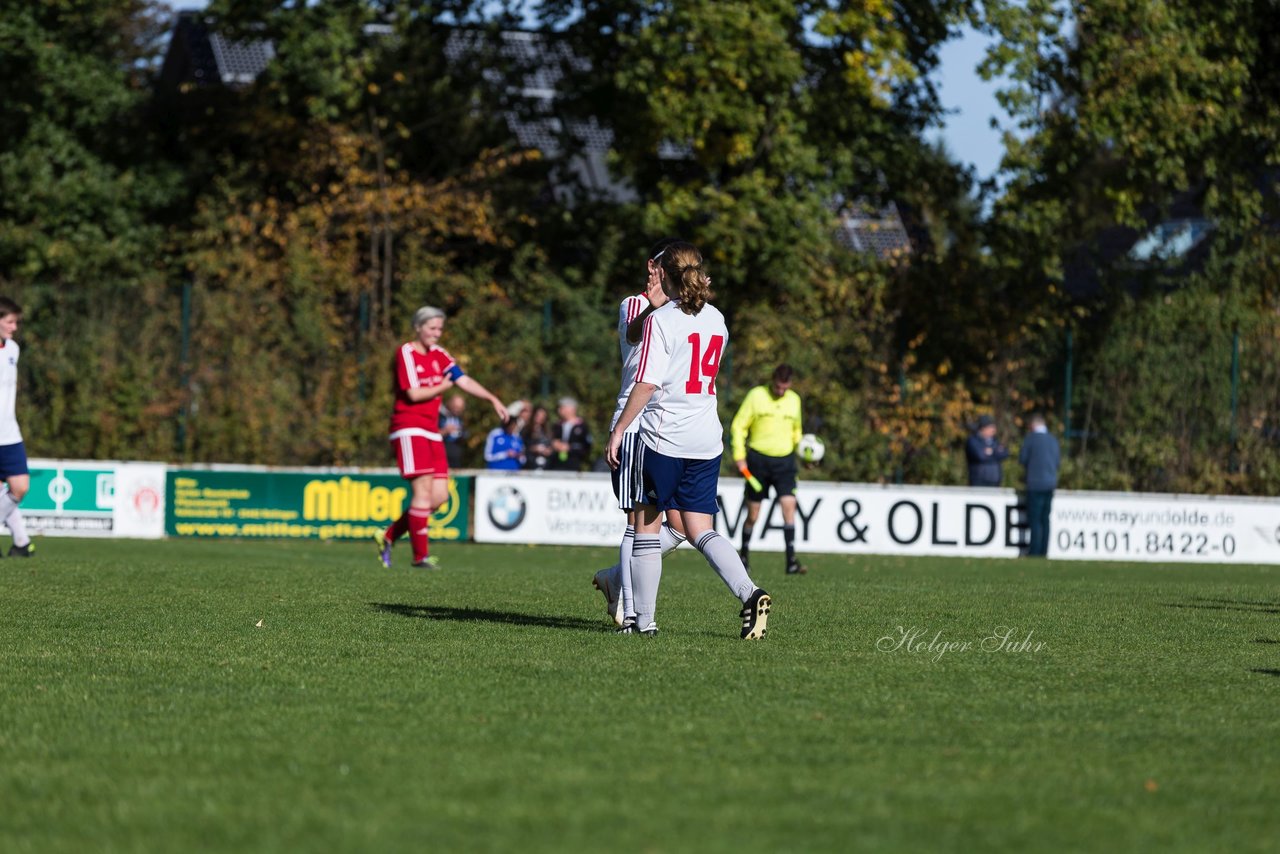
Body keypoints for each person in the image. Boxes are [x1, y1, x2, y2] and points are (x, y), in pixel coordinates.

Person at [606, 241, 771, 639]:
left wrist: (619, 430)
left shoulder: (664, 320)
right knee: (699, 528)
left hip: (664, 435)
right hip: (706, 438)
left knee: (646, 525)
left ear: (666, 274)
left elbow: (647, 383)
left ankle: (642, 622)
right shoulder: (717, 318)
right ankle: (750, 593)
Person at [591, 239, 689, 629]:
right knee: (638, 521)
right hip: (637, 422)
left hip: (674, 425)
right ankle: (631, 612)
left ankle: (616, 577)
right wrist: (656, 304)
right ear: (655, 268)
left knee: (682, 527)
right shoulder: (635, 304)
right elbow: (635, 335)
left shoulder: (687, 311)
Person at [376, 306, 507, 569]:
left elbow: (464, 380)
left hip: (431, 430)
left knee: (438, 497)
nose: (437, 333)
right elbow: (413, 394)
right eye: (432, 328)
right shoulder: (407, 352)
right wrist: (445, 386)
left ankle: (388, 535)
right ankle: (420, 557)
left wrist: (492, 398)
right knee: (422, 492)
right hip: (409, 427)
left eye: (440, 329)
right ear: (418, 327)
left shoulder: (440, 355)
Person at [729, 364, 807, 576]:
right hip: (758, 461)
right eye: (778, 387)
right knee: (753, 514)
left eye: (785, 388)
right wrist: (739, 456)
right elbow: (738, 426)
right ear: (773, 381)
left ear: (790, 384)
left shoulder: (794, 400)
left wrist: (805, 454)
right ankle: (744, 555)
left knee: (788, 508)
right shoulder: (756, 396)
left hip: (785, 463)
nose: (781, 392)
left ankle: (791, 561)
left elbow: (796, 432)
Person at [0, 298, 34, 558]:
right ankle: (21, 545)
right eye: (9, 322)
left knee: (19, 487)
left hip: (10, 433)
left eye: (15, 322)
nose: (14, 327)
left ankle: (22, 543)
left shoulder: (13, 349)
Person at [1018, 413, 1061, 557]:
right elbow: (1057, 462)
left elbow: (1023, 459)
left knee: (1035, 519)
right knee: (1045, 519)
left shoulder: (1031, 439)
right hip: (1050, 483)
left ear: (1033, 425)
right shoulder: (1053, 440)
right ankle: (1044, 551)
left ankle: (1034, 551)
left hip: (1035, 484)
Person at [966, 414, 1009, 487]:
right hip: (979, 480)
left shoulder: (994, 441)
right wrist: (995, 453)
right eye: (991, 427)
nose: (994, 430)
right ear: (983, 428)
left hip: (994, 480)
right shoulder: (973, 440)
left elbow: (1004, 453)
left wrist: (991, 452)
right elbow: (980, 456)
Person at [550, 397, 592, 471]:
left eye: (562, 407)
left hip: (574, 464)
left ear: (571, 409)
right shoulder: (557, 425)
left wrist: (570, 448)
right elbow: (552, 440)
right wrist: (554, 444)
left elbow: (586, 446)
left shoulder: (582, 426)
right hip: (556, 464)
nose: (559, 410)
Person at [484, 403, 526, 470]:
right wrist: (505, 454)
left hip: (514, 474)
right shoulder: (495, 434)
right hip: (495, 473)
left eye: (514, 424)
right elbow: (487, 456)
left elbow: (523, 459)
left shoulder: (517, 438)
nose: (512, 426)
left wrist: (519, 456)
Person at [439, 394, 468, 469]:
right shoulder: (439, 415)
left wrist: (462, 433)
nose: (457, 410)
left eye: (460, 408)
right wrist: (445, 431)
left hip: (455, 454)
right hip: (441, 452)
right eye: (456, 407)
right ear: (450, 403)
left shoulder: (460, 418)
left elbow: (465, 434)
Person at [522, 404, 554, 471]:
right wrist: (534, 448)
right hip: (529, 465)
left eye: (543, 416)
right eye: (538, 415)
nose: (540, 418)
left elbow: (551, 446)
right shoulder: (526, 430)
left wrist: (549, 451)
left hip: (545, 465)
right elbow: (521, 447)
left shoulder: (548, 431)